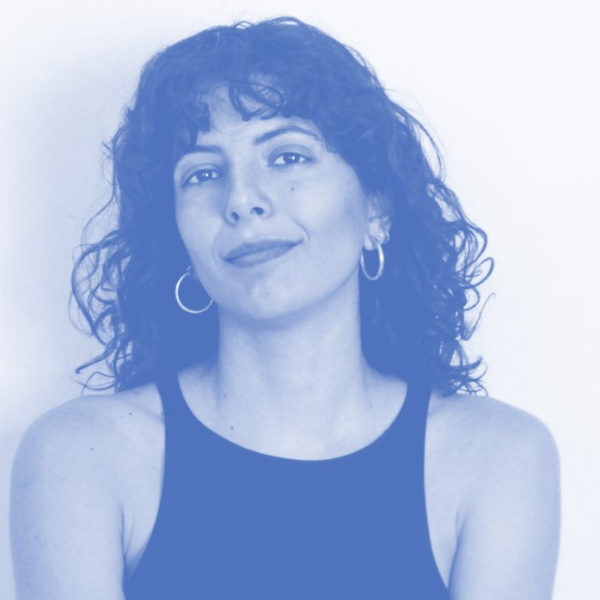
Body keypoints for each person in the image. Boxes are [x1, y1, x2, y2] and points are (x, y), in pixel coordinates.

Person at [10, 16, 560, 600]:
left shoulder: (498, 457)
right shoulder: (80, 457)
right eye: (202, 173)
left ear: (376, 209)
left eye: (288, 157)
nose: (242, 200)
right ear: (178, 237)